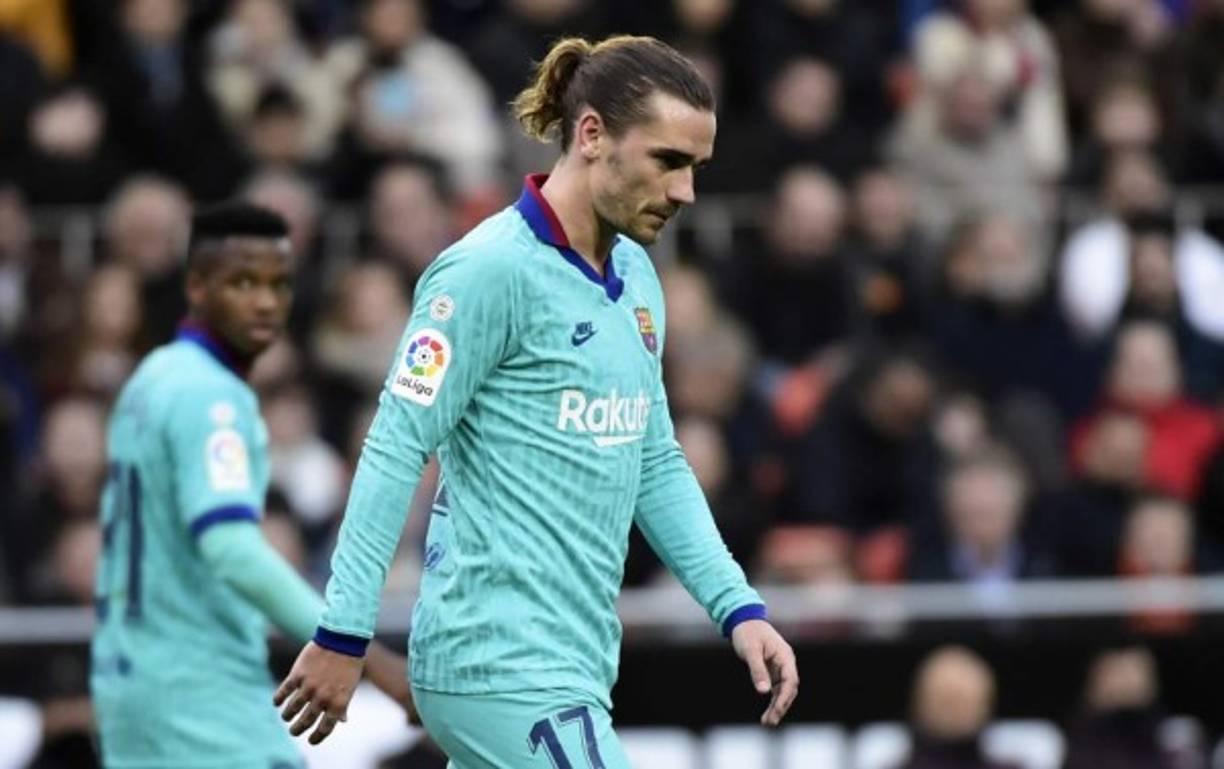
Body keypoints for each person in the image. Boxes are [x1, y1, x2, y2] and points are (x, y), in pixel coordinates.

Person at [274, 34, 799, 767]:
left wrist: (736, 606)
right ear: (591, 135)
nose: (685, 192)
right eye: (668, 162)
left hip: (576, 662)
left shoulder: (638, 281)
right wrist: (343, 631)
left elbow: (653, 458)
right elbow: (396, 444)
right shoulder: (487, 272)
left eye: (696, 169)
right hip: (498, 663)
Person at [90, 203, 414, 769]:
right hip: (198, 690)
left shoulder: (149, 379)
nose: (265, 302)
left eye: (279, 284)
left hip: (129, 679)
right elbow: (232, 549)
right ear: (196, 287)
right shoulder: (213, 397)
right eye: (243, 283)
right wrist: (361, 653)